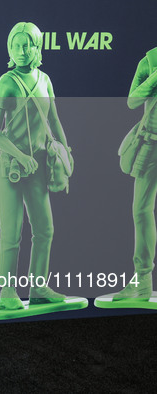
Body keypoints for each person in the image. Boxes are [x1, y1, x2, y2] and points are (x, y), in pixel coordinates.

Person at [0, 22, 73, 310]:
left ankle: (38, 286)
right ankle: (6, 292)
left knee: (45, 229)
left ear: (37, 48)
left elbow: (55, 121)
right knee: (11, 235)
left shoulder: (44, 79)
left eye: (27, 45)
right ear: (9, 48)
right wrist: (21, 156)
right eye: (16, 45)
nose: (21, 51)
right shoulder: (6, 83)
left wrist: (66, 151)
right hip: (11, 167)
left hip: (38, 167)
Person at [113, 47, 157, 300]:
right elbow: (132, 101)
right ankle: (142, 280)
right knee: (141, 211)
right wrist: (154, 77)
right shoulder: (150, 60)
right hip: (150, 144)